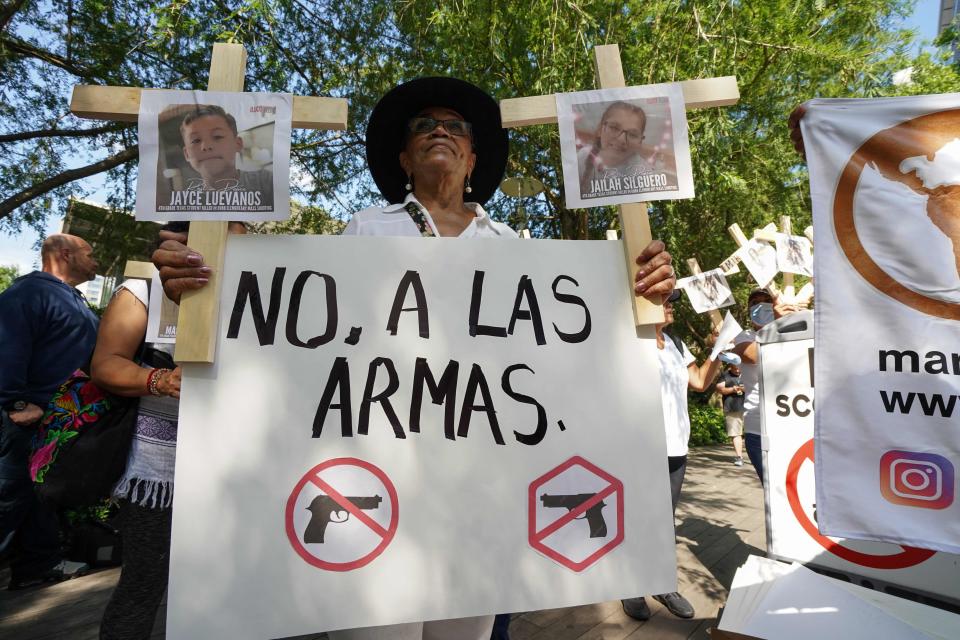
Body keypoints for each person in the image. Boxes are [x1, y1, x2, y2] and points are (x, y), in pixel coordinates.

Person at [152, 77, 677, 640]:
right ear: (404, 157)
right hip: (373, 482)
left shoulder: (513, 248)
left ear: (474, 158)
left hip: (477, 494)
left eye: (456, 127)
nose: (441, 132)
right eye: (424, 126)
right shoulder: (364, 229)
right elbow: (296, 335)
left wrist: (639, 297)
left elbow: (574, 356)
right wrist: (206, 287)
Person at [94, 222, 244, 639]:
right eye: (226, 227)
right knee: (145, 580)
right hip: (162, 468)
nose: (238, 235)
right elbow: (106, 364)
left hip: (240, 463)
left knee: (234, 581)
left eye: (243, 227)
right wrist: (162, 381)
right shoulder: (142, 290)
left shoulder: (259, 288)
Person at [0, 234, 99, 589]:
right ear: (65, 254)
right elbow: (7, 348)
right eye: (90, 253)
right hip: (24, 420)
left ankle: (35, 567)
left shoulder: (74, 300)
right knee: (8, 496)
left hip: (58, 423)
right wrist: (16, 404)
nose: (96, 261)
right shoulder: (29, 293)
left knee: (40, 494)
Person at [621, 289, 723, 622]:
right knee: (638, 518)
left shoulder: (677, 344)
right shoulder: (631, 341)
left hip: (676, 447)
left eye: (670, 302)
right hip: (640, 447)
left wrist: (719, 351)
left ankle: (661, 583)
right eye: (662, 302)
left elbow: (699, 381)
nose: (668, 307)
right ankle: (631, 586)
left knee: (664, 520)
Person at [731, 289, 805, 484]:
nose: (761, 305)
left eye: (766, 301)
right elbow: (753, 355)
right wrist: (777, 326)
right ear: (748, 310)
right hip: (760, 430)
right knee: (774, 491)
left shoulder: (793, 330)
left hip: (795, 421)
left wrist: (789, 323)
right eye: (755, 302)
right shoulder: (744, 336)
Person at [178, 105, 273, 201]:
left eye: (217, 136)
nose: (206, 146)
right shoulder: (185, 200)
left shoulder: (265, 182)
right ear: (187, 154)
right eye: (196, 140)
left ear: (237, 144)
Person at [578, 101, 656, 197]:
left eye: (632, 134)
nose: (621, 139)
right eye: (614, 128)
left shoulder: (645, 175)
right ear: (600, 129)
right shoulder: (583, 155)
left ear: (640, 141)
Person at [716, 363, 745, 466]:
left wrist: (745, 388)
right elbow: (720, 388)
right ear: (730, 367)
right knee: (736, 433)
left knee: (755, 433)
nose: (737, 371)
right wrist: (733, 389)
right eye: (735, 369)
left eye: (739, 369)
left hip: (750, 408)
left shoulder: (748, 373)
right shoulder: (725, 375)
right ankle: (739, 457)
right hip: (732, 408)